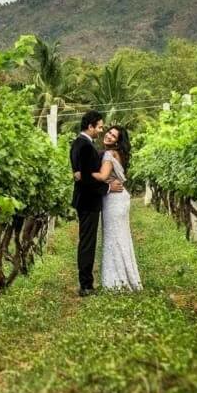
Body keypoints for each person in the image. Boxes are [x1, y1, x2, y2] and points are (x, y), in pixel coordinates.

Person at [70, 110, 121, 296]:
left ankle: (86, 282)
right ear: (90, 126)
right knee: (87, 243)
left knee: (86, 241)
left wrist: (80, 175)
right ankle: (86, 285)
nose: (101, 130)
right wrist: (108, 188)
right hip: (88, 201)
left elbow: (81, 174)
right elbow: (86, 179)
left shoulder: (78, 143)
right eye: (99, 127)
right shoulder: (85, 146)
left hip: (83, 200)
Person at [92, 125, 142, 291]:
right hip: (121, 198)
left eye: (113, 136)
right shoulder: (120, 154)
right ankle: (126, 277)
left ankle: (115, 281)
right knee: (121, 237)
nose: (109, 136)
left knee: (113, 237)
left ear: (117, 141)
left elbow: (103, 176)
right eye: (109, 133)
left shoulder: (108, 154)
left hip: (113, 200)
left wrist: (82, 173)